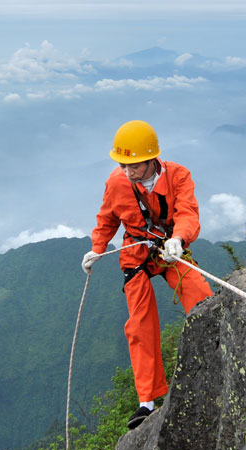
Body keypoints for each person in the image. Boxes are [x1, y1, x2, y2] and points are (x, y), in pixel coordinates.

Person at [82, 120, 214, 430]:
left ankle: (219, 356)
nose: (127, 172)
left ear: (152, 159)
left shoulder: (178, 175)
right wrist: (97, 248)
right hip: (137, 251)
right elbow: (107, 218)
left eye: (134, 165)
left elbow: (188, 212)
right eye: (123, 165)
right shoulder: (117, 182)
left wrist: (178, 239)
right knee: (140, 324)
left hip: (170, 248)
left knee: (200, 296)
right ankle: (148, 401)